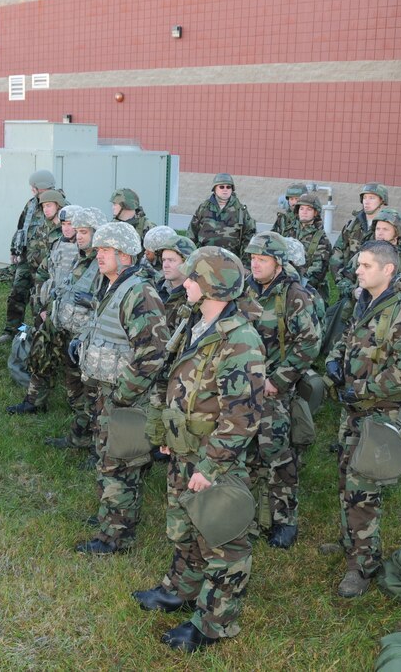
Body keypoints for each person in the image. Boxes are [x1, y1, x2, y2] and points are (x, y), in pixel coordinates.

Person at [134, 246, 266, 652]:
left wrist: (210, 466)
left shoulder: (240, 341)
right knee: (185, 528)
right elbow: (173, 380)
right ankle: (182, 588)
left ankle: (214, 623)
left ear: (211, 286)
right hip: (185, 446)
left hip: (215, 459)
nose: (183, 282)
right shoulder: (194, 322)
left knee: (222, 541)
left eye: (192, 278)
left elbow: (243, 416)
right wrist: (165, 432)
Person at [323, 240, 401, 597]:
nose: (358, 270)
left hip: (381, 409)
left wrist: (364, 388)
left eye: (366, 265)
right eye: (358, 265)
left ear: (388, 270)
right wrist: (336, 360)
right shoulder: (365, 300)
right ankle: (350, 538)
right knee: (345, 474)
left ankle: (363, 565)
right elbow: (350, 338)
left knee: (364, 484)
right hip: (353, 406)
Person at [73, 222, 169, 554]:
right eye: (97, 250)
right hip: (108, 393)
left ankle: (115, 537)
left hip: (126, 397)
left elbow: (153, 352)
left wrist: (123, 395)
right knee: (109, 459)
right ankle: (110, 514)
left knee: (120, 462)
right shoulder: (112, 285)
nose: (98, 256)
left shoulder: (138, 293)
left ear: (124, 256)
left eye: (105, 251)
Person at [244, 231, 322, 549]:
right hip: (241, 388)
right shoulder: (245, 289)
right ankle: (245, 515)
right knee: (245, 456)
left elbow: (310, 342)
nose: (255, 264)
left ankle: (284, 520)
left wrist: (279, 379)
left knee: (277, 455)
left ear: (278, 263)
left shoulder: (294, 295)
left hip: (273, 391)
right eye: (252, 258)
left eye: (262, 259)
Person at [39, 206, 108, 448]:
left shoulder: (103, 265)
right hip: (71, 336)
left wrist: (90, 301)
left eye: (84, 232)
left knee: (92, 395)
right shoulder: (81, 258)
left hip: (89, 341)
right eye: (77, 231)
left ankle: (93, 445)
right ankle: (79, 435)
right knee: (75, 388)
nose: (78, 236)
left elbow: (112, 303)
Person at [7, 202, 81, 416]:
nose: (67, 228)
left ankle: (77, 408)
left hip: (73, 316)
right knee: (41, 355)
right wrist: (41, 304)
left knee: (71, 362)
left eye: (72, 225)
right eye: (64, 223)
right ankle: (34, 401)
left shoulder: (89, 253)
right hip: (49, 311)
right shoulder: (57, 244)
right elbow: (42, 273)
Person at [0, 169, 55, 343]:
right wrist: (15, 250)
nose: (32, 190)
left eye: (34, 187)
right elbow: (21, 228)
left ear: (42, 187)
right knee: (17, 294)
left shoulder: (59, 206)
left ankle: (39, 335)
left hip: (46, 266)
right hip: (26, 260)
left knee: (39, 302)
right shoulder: (31, 204)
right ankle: (14, 330)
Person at [187, 173, 256, 259]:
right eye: (221, 187)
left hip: (230, 261)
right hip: (204, 259)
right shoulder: (203, 208)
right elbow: (191, 235)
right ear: (215, 188)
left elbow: (249, 238)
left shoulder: (240, 210)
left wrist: (245, 264)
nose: (225, 189)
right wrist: (188, 258)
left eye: (228, 187)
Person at [330, 182, 387, 283]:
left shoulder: (387, 227)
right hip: (349, 284)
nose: (367, 201)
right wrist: (343, 283)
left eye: (372, 198)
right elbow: (337, 253)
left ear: (381, 201)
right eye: (365, 198)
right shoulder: (352, 226)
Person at [288, 194, 331, 299]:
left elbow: (318, 270)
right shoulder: (288, 230)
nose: (304, 212)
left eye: (309, 209)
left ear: (315, 212)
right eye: (301, 208)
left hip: (308, 287)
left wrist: (295, 282)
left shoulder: (321, 239)